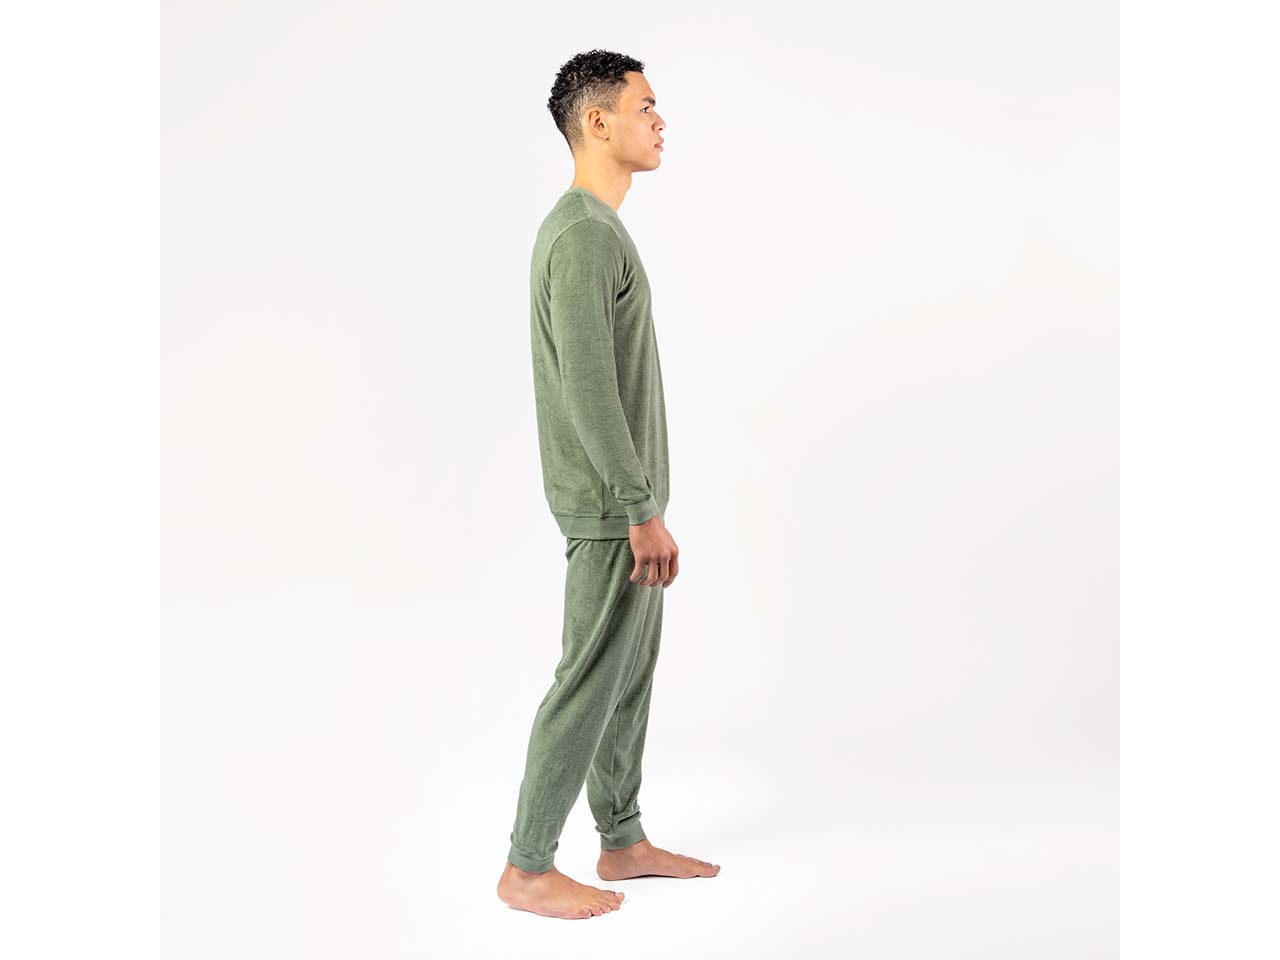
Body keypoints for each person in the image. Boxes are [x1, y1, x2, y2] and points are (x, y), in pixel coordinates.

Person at [496, 50, 721, 920]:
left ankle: (622, 839)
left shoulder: (593, 229)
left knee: (626, 677)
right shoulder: (584, 233)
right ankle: (526, 868)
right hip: (611, 511)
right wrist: (637, 508)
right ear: (598, 122)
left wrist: (643, 505)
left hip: (625, 508)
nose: (661, 122)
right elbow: (588, 387)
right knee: (589, 679)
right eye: (646, 106)